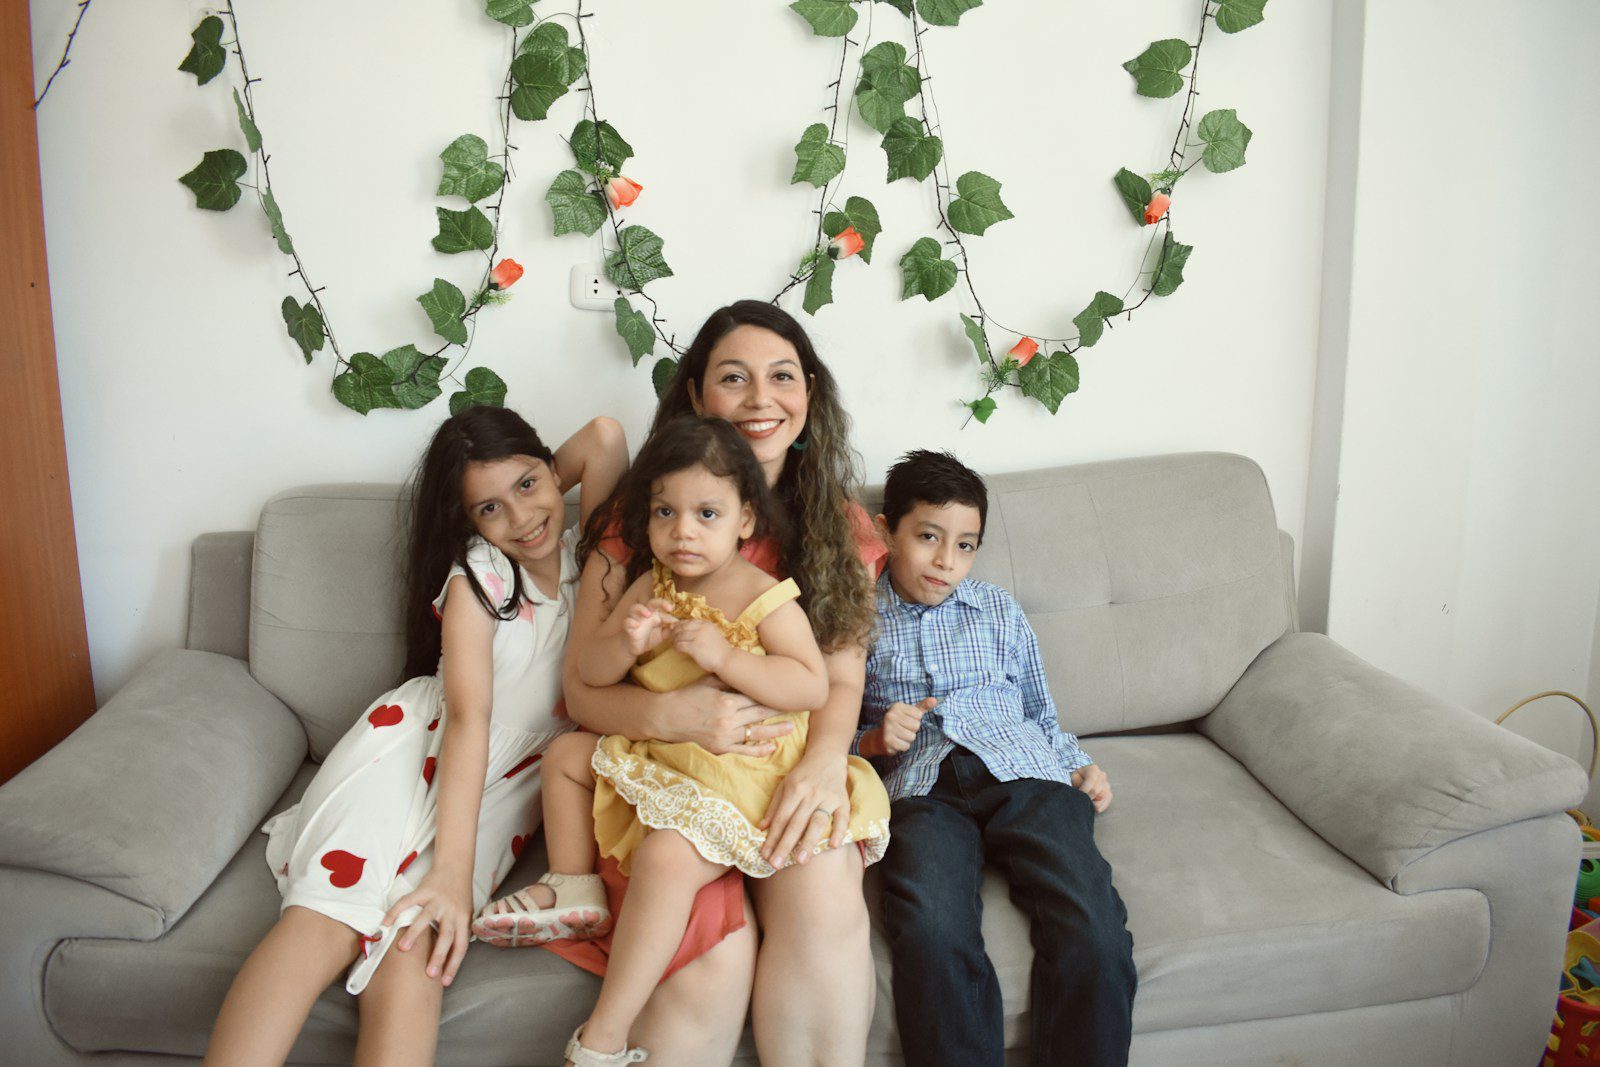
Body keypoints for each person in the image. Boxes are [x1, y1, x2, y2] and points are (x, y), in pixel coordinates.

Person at [482, 300, 886, 1066]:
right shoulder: (647, 520)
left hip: (777, 763)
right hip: (663, 775)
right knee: (708, 945)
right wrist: (677, 713)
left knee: (824, 876)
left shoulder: (841, 527)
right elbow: (586, 690)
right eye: (735, 378)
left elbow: (836, 677)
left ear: (810, 395)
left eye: (782, 377)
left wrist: (824, 763)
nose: (762, 398)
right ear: (698, 396)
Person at [203, 408, 626, 1067]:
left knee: (419, 948)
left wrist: (528, 477)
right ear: (468, 522)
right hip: (410, 754)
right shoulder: (478, 575)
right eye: (489, 507)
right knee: (325, 922)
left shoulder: (590, 557)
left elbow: (603, 436)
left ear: (553, 471)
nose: (521, 518)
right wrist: (453, 871)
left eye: (529, 484)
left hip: (500, 790)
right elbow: (468, 721)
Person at [857, 449, 1136, 1067]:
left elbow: (1041, 712)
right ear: (886, 531)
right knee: (930, 931)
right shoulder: (855, 617)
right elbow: (828, 735)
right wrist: (874, 740)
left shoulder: (998, 611)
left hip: (1024, 773)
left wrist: (1077, 764)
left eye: (965, 545)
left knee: (1094, 930)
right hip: (922, 789)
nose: (945, 562)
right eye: (928, 537)